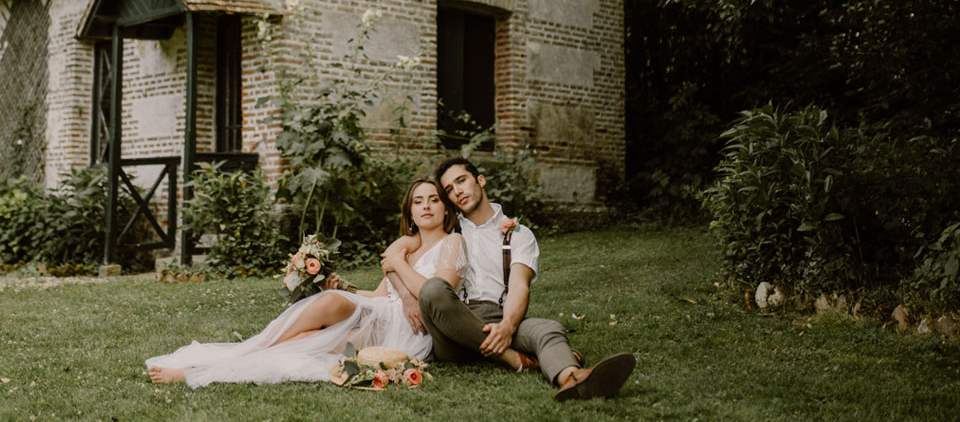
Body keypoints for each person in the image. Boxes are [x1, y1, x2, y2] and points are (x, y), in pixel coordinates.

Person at [146, 177, 475, 387]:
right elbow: (379, 294)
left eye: (433, 199)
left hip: (409, 331)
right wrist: (345, 289)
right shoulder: (406, 246)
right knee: (328, 302)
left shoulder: (452, 244)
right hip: (383, 311)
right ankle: (235, 356)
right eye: (418, 201)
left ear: (445, 209)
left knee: (307, 342)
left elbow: (435, 295)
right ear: (411, 211)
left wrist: (398, 268)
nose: (426, 206)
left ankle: (205, 372)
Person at [385, 158, 635, 402]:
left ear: (480, 180)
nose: (457, 191)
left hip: (498, 318)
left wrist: (507, 327)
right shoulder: (443, 228)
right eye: (449, 189)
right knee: (434, 290)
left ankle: (572, 378)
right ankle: (512, 358)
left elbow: (519, 286)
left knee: (548, 329)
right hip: (452, 327)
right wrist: (407, 298)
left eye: (461, 181)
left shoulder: (518, 234)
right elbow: (391, 260)